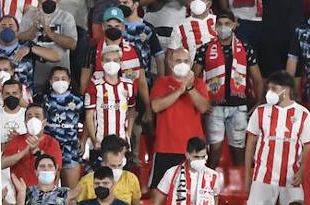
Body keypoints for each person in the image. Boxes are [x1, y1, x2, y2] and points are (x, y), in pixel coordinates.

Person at [244, 71, 310, 205]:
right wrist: (248, 175)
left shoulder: (303, 114)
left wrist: (302, 169)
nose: (269, 92)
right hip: (264, 174)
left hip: (291, 177)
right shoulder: (260, 111)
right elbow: (250, 143)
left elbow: (307, 145)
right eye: (268, 88)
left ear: (286, 90)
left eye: (274, 88)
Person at [196, 10, 260, 167]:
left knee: (238, 150)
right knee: (214, 150)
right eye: (219, 24)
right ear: (214, 26)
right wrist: (201, 102)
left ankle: (239, 190)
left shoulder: (245, 48)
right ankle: (208, 187)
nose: (223, 27)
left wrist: (258, 102)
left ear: (234, 25)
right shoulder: (204, 49)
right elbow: (195, 78)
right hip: (214, 107)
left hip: (238, 107)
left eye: (227, 24)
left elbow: (257, 79)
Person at [150, 47, 210, 182]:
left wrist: (189, 88)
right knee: (158, 192)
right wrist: (179, 91)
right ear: (171, 64)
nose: (182, 64)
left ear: (190, 64)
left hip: (193, 151)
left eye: (185, 61)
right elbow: (155, 106)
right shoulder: (161, 82)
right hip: (165, 148)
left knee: (193, 190)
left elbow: (204, 108)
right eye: (178, 61)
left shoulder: (199, 84)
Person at [151, 138, 224, 205]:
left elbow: (215, 198)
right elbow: (156, 204)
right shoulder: (172, 173)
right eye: (196, 157)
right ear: (187, 155)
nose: (200, 160)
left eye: (203, 157)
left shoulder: (213, 176)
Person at [17, 0, 77, 89]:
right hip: (36, 72)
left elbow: (72, 44)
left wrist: (48, 31)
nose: (49, 0)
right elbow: (20, 39)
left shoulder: (66, 17)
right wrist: (34, 28)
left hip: (60, 74)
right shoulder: (30, 15)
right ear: (39, 0)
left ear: (58, 0)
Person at [83, 46, 137, 151]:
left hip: (122, 143)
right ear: (102, 63)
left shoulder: (128, 85)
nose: (111, 63)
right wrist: (95, 141)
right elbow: (89, 116)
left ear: (121, 63)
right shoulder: (94, 85)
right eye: (107, 60)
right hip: (100, 143)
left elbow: (132, 111)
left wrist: (128, 136)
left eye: (115, 60)